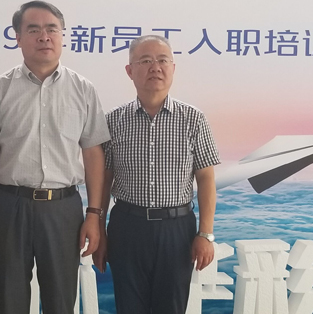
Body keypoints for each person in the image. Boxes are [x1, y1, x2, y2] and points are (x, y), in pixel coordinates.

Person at [0, 0, 109, 314]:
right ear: (18, 37)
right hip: (9, 207)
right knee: (9, 302)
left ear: (62, 35)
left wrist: (94, 214)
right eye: (33, 30)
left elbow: (93, 154)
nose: (44, 37)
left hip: (63, 209)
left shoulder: (83, 89)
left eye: (51, 29)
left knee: (60, 302)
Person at [93, 35, 220, 314]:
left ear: (173, 68)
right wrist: (99, 230)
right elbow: (104, 180)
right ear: (130, 71)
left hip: (177, 230)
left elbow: (206, 179)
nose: (156, 67)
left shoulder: (193, 119)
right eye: (146, 61)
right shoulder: (113, 120)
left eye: (163, 60)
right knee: (129, 307)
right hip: (127, 227)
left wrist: (205, 234)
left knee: (171, 307)